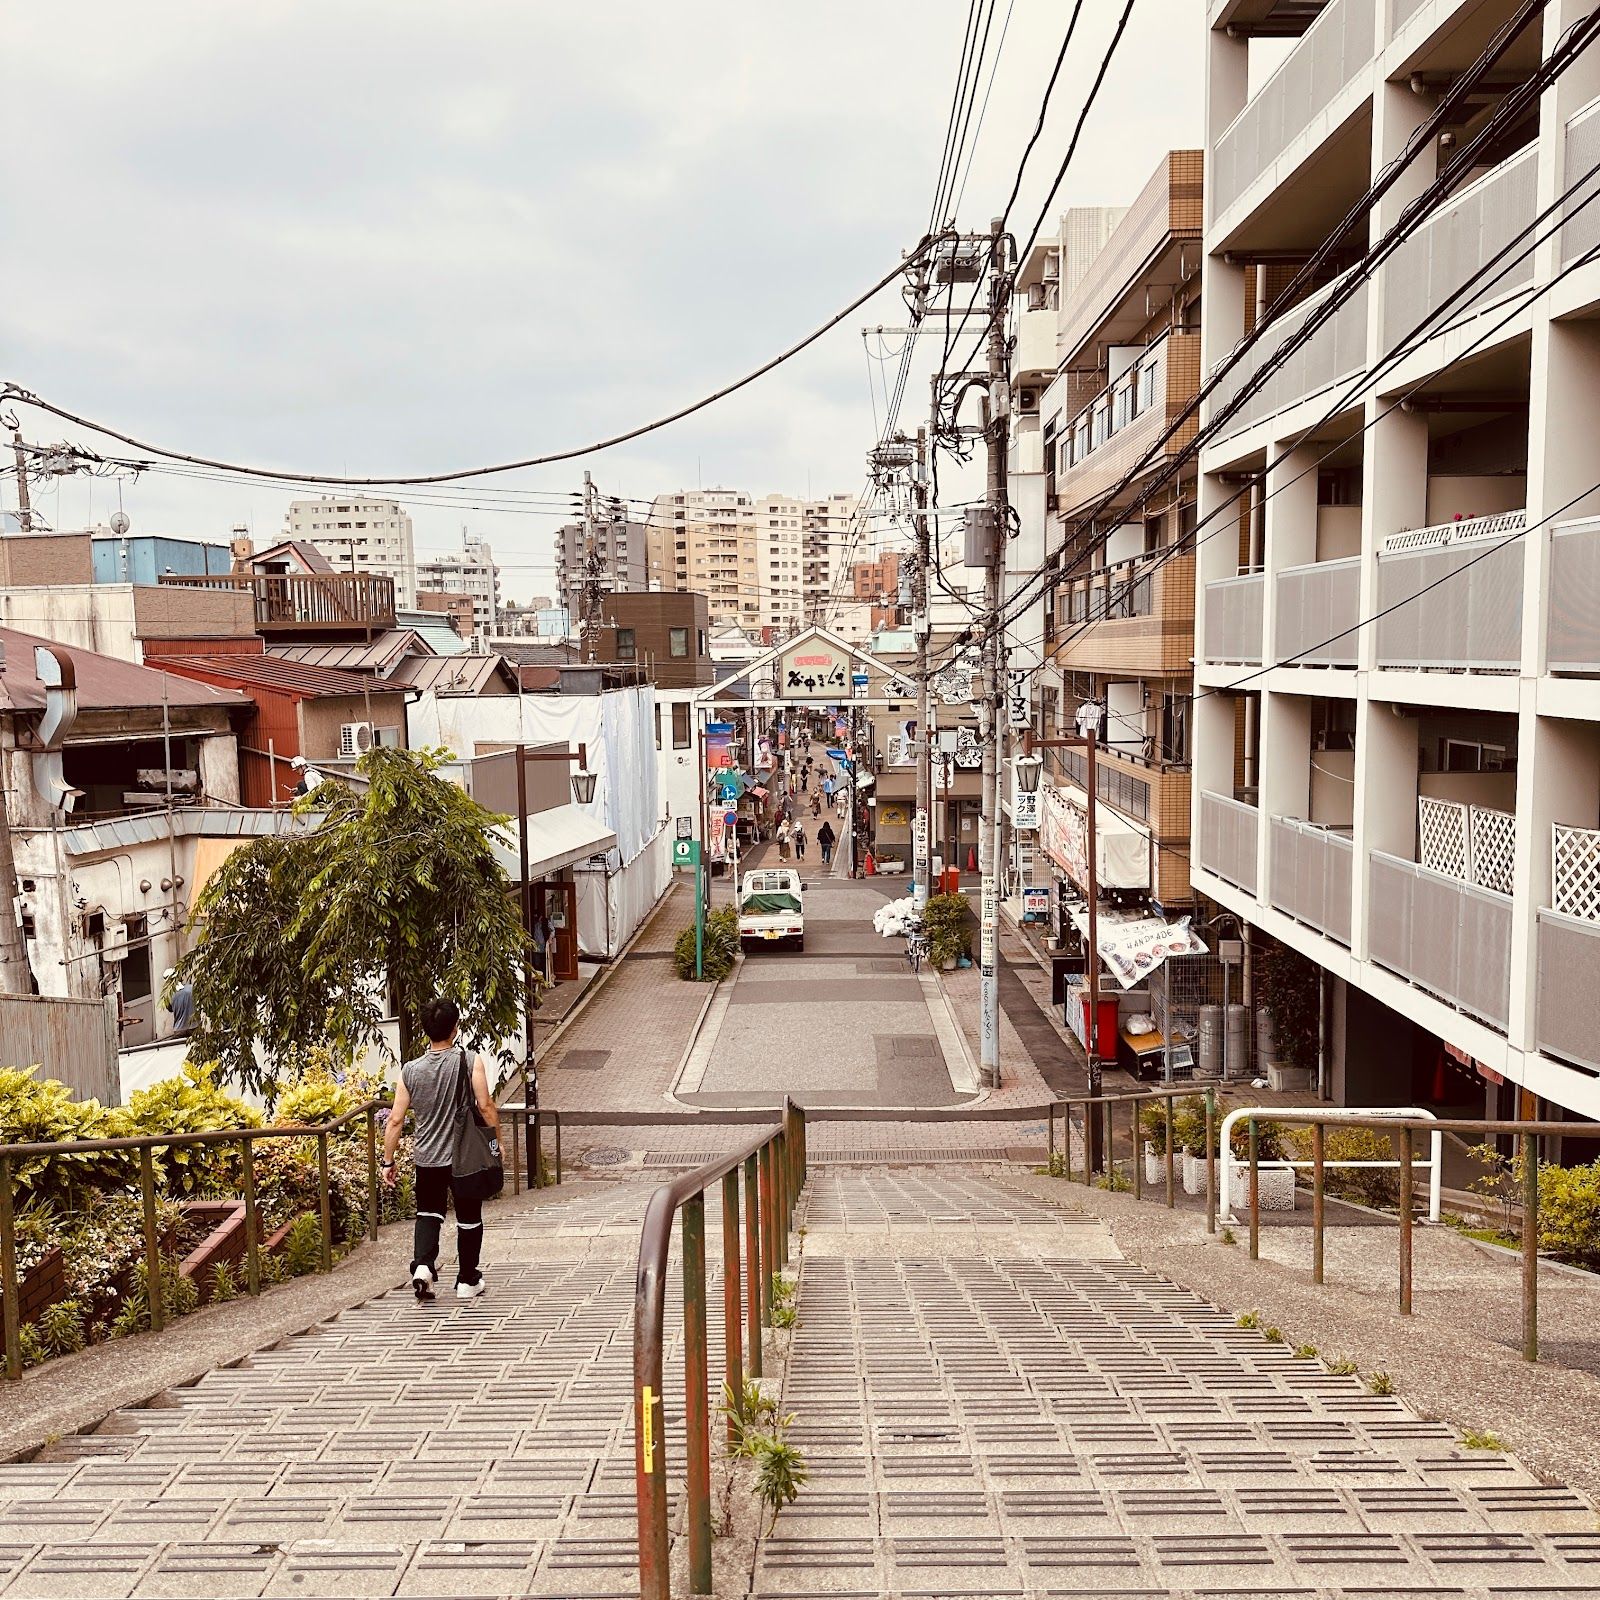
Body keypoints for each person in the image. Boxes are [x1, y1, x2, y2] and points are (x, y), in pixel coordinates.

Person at [382, 996, 500, 1302]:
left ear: (426, 1030)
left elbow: (395, 1120)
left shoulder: (410, 1070)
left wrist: (388, 1161)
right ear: (455, 1028)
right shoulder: (469, 1061)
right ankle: (467, 1280)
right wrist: (496, 1142)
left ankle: (423, 1266)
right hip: (464, 1158)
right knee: (469, 1218)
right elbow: (485, 1106)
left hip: (427, 1157)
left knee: (428, 1213)